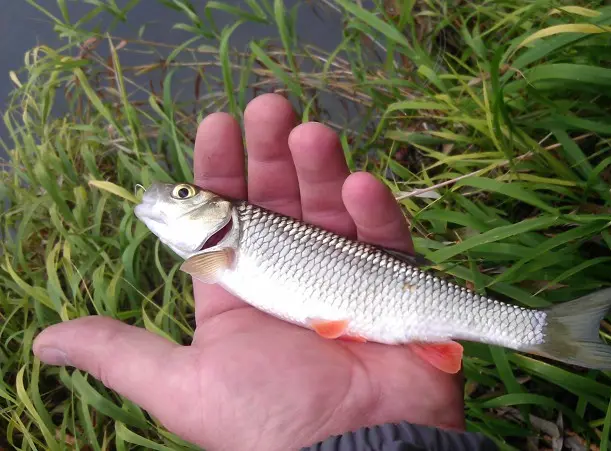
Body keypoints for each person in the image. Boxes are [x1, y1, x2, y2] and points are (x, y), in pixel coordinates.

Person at [33, 94, 499, 450]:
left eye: (181, 195)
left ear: (219, 215)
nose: (170, 197)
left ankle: (540, 332)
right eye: (183, 194)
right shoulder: (215, 255)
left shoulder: (226, 246)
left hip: (391, 298)